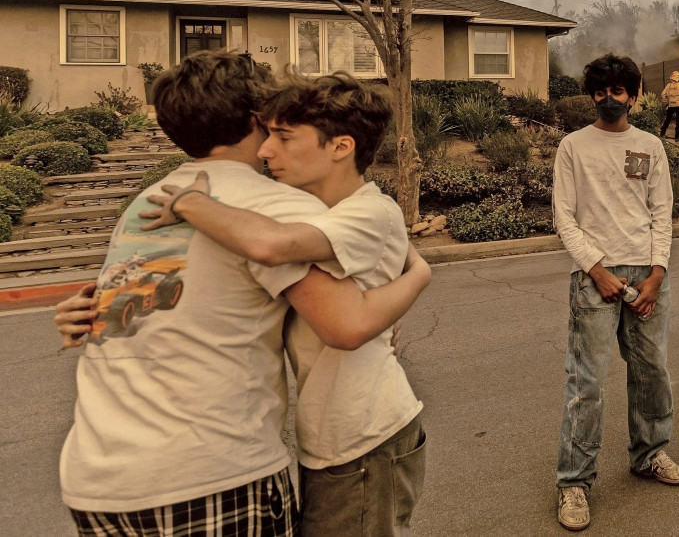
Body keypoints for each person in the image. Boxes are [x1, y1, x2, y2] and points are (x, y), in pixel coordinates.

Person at [53, 52, 424, 537]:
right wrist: (419, 275)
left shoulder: (150, 200)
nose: (271, 147)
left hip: (97, 475)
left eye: (284, 134)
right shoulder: (276, 208)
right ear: (256, 118)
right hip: (206, 471)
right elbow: (346, 321)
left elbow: (145, 301)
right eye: (271, 129)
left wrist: (83, 310)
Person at [552, 53, 679, 532]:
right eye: (601, 90)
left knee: (651, 371)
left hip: (646, 274)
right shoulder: (573, 147)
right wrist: (597, 270)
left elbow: (660, 212)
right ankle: (573, 482)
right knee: (586, 381)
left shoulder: (650, 145)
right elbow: (563, 216)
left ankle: (649, 454)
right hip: (595, 278)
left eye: (618, 90)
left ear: (634, 95)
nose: (609, 98)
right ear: (593, 95)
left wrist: (658, 273)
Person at [659, 69, 679, 140]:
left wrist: (665, 101)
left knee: (667, 119)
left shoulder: (668, 86)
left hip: (671, 105)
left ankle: (662, 133)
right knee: (678, 121)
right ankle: (677, 137)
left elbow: (662, 94)